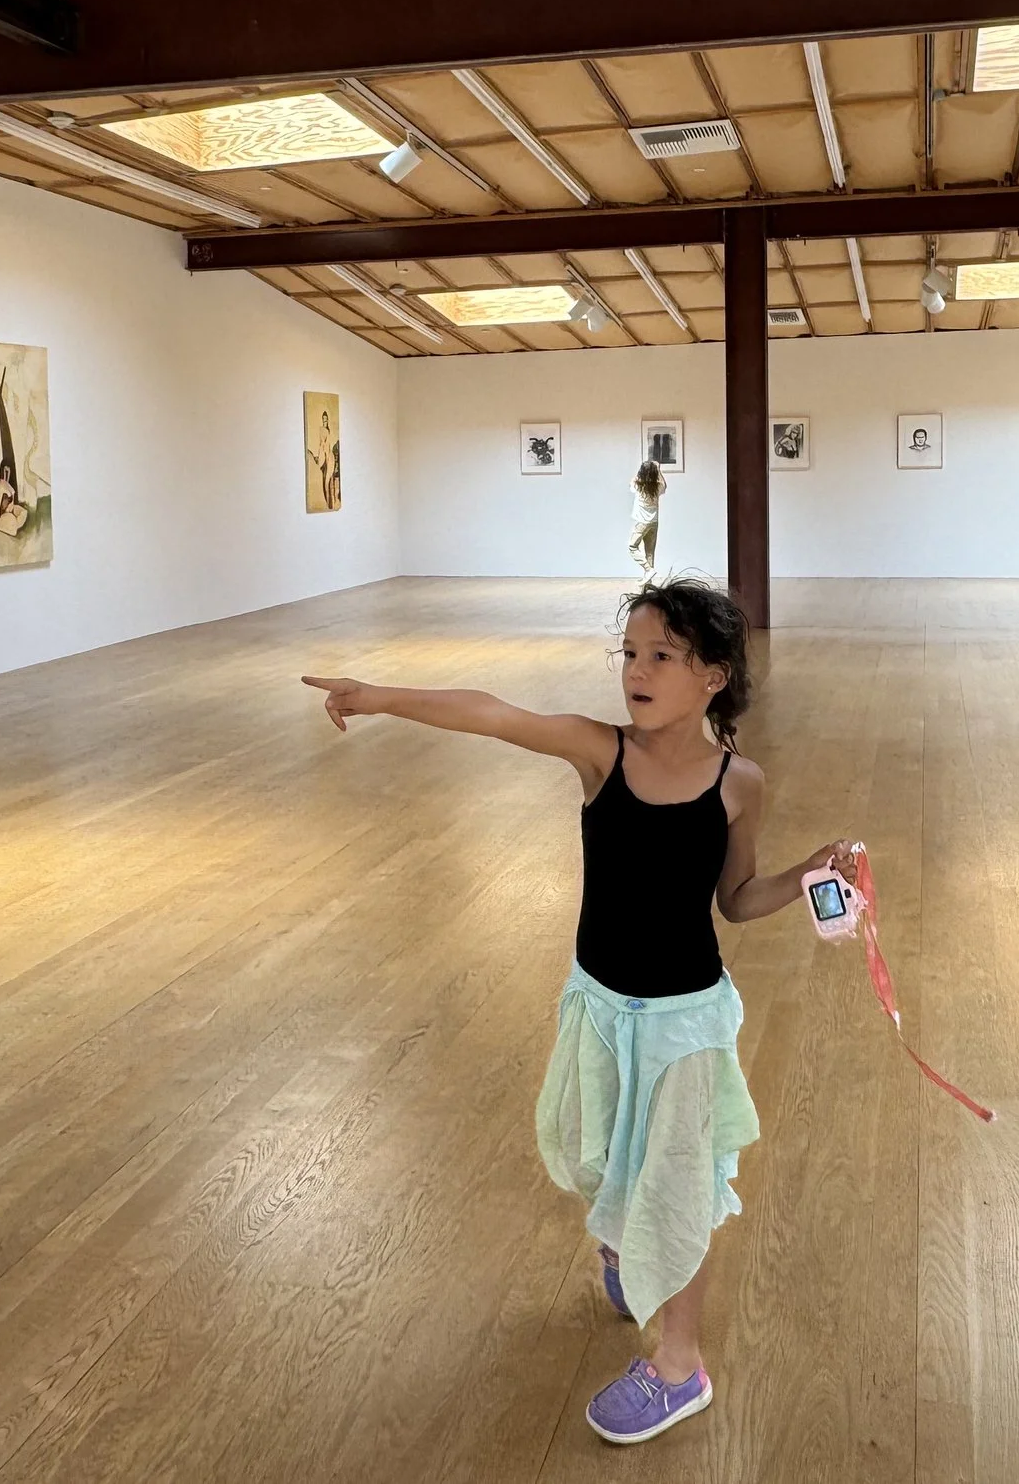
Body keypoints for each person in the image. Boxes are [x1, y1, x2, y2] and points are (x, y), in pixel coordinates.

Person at [302, 577, 851, 1446]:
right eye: (629, 653)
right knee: (602, 1154)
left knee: (677, 1184)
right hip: (598, 1006)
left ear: (712, 675)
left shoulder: (740, 783)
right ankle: (628, 1246)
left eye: (661, 655)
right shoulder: (602, 753)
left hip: (683, 1023)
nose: (636, 670)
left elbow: (737, 899)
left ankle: (681, 1366)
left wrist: (808, 873)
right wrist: (377, 695)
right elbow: (494, 713)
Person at [627, 460, 665, 577]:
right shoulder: (657, 487)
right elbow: (664, 485)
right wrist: (658, 470)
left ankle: (649, 570)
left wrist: (641, 472)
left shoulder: (638, 486)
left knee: (632, 547)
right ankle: (648, 582)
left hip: (641, 523)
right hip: (654, 523)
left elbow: (631, 482)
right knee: (650, 552)